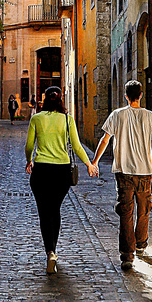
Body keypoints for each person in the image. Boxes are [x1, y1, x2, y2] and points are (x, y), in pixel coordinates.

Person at [25, 86, 98, 274]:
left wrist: (28, 161)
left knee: (43, 212)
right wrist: (89, 164)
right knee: (54, 209)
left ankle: (49, 251)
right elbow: (77, 145)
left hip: (41, 170)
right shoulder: (67, 120)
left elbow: (29, 145)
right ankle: (54, 251)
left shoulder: (36, 119)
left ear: (45, 100)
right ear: (60, 101)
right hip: (61, 172)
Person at [93, 80, 152, 270]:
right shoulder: (150, 116)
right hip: (145, 172)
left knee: (126, 212)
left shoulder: (117, 115)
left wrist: (95, 161)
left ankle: (127, 255)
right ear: (140, 95)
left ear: (125, 95)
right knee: (144, 210)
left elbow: (105, 139)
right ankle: (141, 244)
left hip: (123, 172)